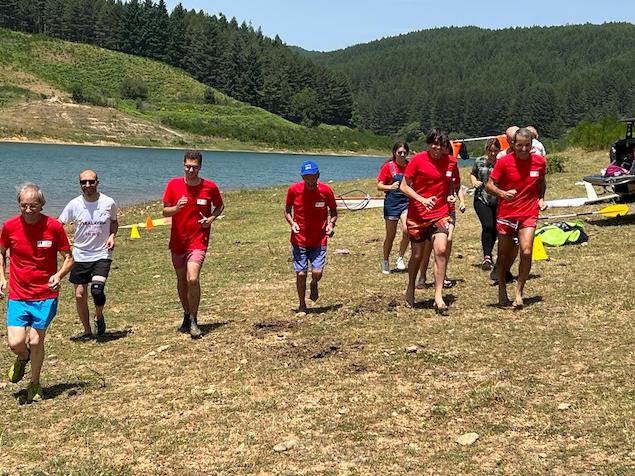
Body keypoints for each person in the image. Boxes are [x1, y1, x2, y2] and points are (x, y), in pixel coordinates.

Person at [0, 183, 73, 403]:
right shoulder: (9, 226)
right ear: (19, 205)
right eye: (24, 205)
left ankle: (34, 382)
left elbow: (69, 258)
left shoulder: (54, 227)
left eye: (33, 205)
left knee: (35, 340)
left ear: (41, 204)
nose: (29, 210)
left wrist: (58, 276)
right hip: (19, 295)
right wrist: (2, 278)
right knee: (15, 343)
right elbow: (1, 252)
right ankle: (23, 357)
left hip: (45, 295)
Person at [162, 150, 224, 338]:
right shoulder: (173, 185)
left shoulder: (209, 187)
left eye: (194, 167)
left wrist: (211, 218)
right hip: (178, 242)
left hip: (198, 240)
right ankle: (186, 314)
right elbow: (165, 212)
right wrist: (176, 208)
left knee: (193, 279)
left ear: (200, 167)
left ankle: (195, 320)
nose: (191, 170)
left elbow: (220, 205)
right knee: (182, 281)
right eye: (188, 166)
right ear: (183, 165)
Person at [486, 128, 548, 309]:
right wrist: (502, 193)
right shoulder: (503, 162)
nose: (523, 149)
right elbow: (490, 186)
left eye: (527, 145)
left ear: (532, 145)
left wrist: (541, 198)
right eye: (519, 145)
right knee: (504, 255)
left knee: (527, 251)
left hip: (528, 213)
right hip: (507, 214)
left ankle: (519, 293)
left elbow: (542, 182)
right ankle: (502, 288)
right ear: (512, 144)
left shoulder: (539, 161)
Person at [400, 128, 460, 315]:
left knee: (441, 249)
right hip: (417, 215)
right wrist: (421, 200)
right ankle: (411, 287)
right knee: (417, 256)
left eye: (440, 144)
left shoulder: (451, 162)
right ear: (428, 143)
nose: (436, 147)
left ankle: (438, 295)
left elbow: (452, 184)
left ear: (445, 147)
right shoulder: (418, 160)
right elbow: (403, 186)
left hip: (440, 213)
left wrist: (451, 196)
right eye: (433, 143)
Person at [59, 170, 118, 339]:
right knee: (79, 295)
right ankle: (87, 330)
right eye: (83, 182)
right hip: (80, 255)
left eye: (91, 182)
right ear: (80, 184)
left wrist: (112, 235)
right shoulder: (74, 204)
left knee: (97, 290)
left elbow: (114, 222)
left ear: (97, 182)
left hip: (102, 254)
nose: (87, 186)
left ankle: (99, 316)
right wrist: (65, 240)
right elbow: (58, 224)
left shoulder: (108, 202)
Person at [285, 160, 337, 315]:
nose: (310, 181)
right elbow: (287, 211)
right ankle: (302, 305)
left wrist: (331, 225)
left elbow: (333, 211)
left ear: (318, 175)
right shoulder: (293, 190)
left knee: (317, 273)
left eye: (312, 177)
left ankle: (314, 283)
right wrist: (292, 223)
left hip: (319, 239)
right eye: (306, 177)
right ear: (302, 177)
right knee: (301, 273)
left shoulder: (326, 191)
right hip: (299, 239)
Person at [377, 141, 410, 274]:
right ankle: (385, 260)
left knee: (408, 229)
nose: (402, 155)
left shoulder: (410, 166)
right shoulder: (388, 167)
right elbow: (379, 185)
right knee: (390, 235)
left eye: (404, 152)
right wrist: (389, 187)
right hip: (391, 203)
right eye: (399, 152)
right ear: (394, 153)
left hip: (406, 202)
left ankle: (400, 257)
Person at [470, 137, 501, 270]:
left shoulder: (502, 163)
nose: (493, 153)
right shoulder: (479, 161)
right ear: (486, 150)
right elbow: (473, 174)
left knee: (495, 228)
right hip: (481, 198)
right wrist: (474, 182)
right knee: (487, 225)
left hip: (498, 199)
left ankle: (490, 253)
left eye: (495, 150)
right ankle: (486, 256)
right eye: (490, 150)